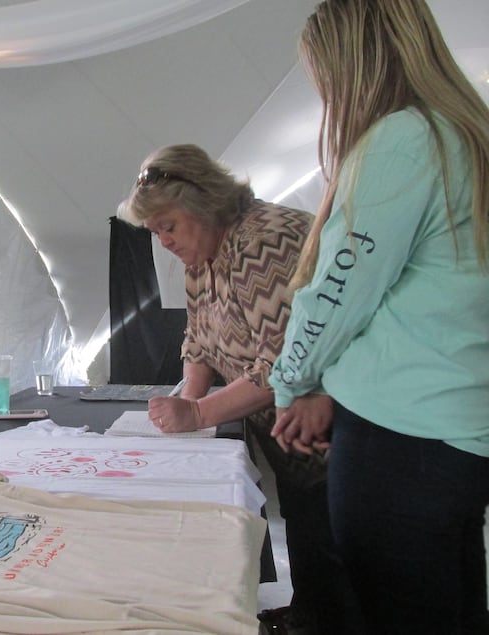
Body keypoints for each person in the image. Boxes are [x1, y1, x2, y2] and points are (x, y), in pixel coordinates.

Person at [269, 1, 489, 633]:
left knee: (398, 610)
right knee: (449, 606)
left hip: (404, 444)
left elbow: (339, 293)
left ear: (351, 64)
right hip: (451, 431)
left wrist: (295, 382)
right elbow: (418, 301)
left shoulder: (405, 138)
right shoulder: (463, 132)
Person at [117, 143, 352, 634]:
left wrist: (200, 416)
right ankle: (311, 613)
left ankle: (331, 619)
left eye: (168, 225)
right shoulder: (205, 251)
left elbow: (286, 360)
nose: (163, 240)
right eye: (155, 230)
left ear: (202, 203)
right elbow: (198, 339)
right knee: (307, 522)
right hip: (289, 429)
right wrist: (187, 399)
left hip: (337, 426)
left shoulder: (265, 240)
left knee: (338, 537)